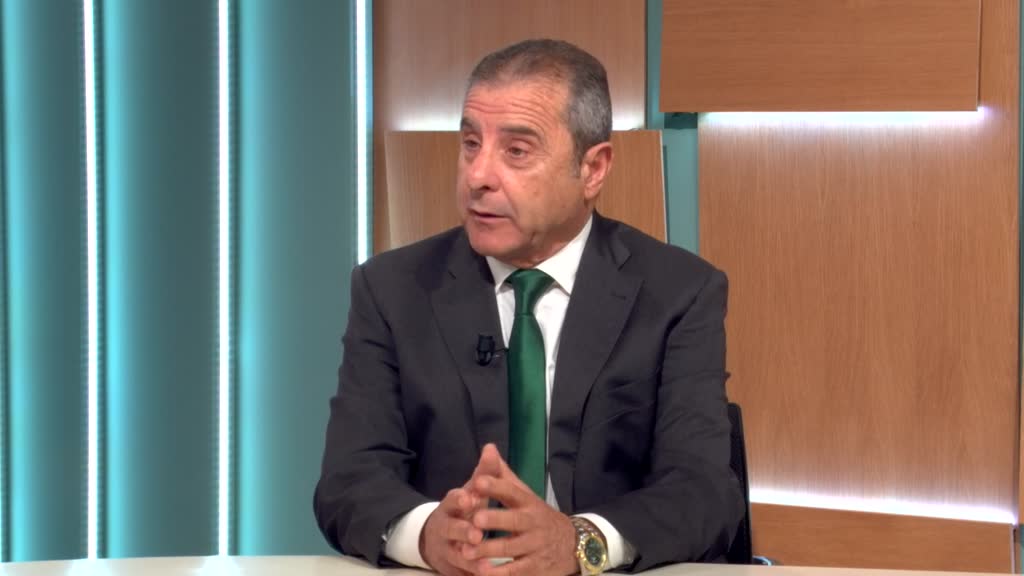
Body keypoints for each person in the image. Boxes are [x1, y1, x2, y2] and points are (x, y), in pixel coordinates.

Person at [314, 38, 743, 576]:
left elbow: (703, 491)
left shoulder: (678, 292)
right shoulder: (392, 289)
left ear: (593, 169)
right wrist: (426, 534)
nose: (478, 175)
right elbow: (349, 480)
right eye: (471, 143)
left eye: (516, 151)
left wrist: (579, 541)